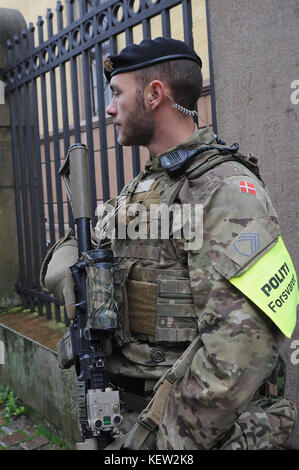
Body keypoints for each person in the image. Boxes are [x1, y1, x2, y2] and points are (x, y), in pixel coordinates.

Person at [43, 37, 297, 450]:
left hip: (186, 433)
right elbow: (87, 238)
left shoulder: (224, 190)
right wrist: (70, 264)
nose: (109, 109)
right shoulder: (147, 185)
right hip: (133, 419)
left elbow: (240, 352)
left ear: (154, 94)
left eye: (116, 94)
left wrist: (154, 447)